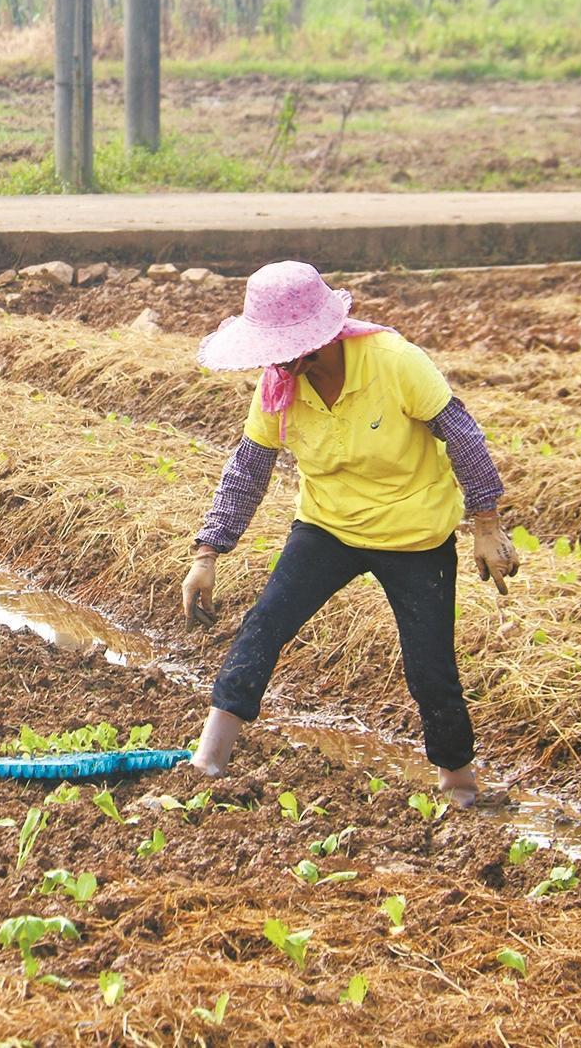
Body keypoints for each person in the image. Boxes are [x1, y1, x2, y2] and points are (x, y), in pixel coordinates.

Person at [181, 261, 520, 807]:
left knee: (430, 666)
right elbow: (248, 469)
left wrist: (486, 526)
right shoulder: (278, 388)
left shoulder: (394, 363)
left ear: (315, 340)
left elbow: (463, 437)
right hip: (327, 528)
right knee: (264, 625)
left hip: (415, 537)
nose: (275, 361)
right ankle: (208, 761)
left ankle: (459, 784)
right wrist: (208, 551)